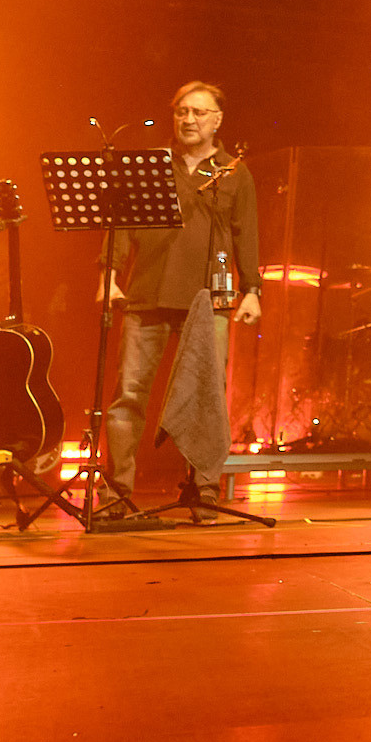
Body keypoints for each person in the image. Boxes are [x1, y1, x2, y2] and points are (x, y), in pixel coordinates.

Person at [100, 81, 260, 515]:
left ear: (217, 120)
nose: (189, 119)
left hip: (209, 298)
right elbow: (122, 224)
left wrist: (252, 289)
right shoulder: (151, 166)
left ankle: (203, 486)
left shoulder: (234, 171)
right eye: (182, 111)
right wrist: (109, 275)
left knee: (207, 394)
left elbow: (246, 233)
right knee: (129, 393)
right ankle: (117, 491)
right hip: (147, 292)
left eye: (199, 112)